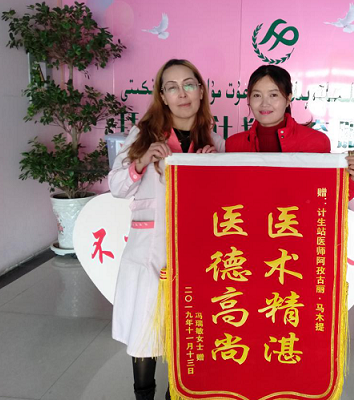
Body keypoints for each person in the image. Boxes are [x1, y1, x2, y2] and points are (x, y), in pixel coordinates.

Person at [108, 59, 224, 400]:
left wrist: (212, 171)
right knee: (145, 332)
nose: (182, 94)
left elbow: (226, 206)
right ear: (162, 96)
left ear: (201, 91)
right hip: (149, 252)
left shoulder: (216, 143)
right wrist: (142, 161)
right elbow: (116, 186)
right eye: (172, 87)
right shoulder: (143, 135)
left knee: (184, 335)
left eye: (189, 84)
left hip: (196, 254)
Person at [225, 65, 354, 197]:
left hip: (296, 214)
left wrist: (353, 176)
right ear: (249, 99)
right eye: (257, 95)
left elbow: (328, 196)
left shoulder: (316, 142)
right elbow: (228, 193)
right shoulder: (234, 145)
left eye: (273, 95)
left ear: (288, 99)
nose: (264, 103)